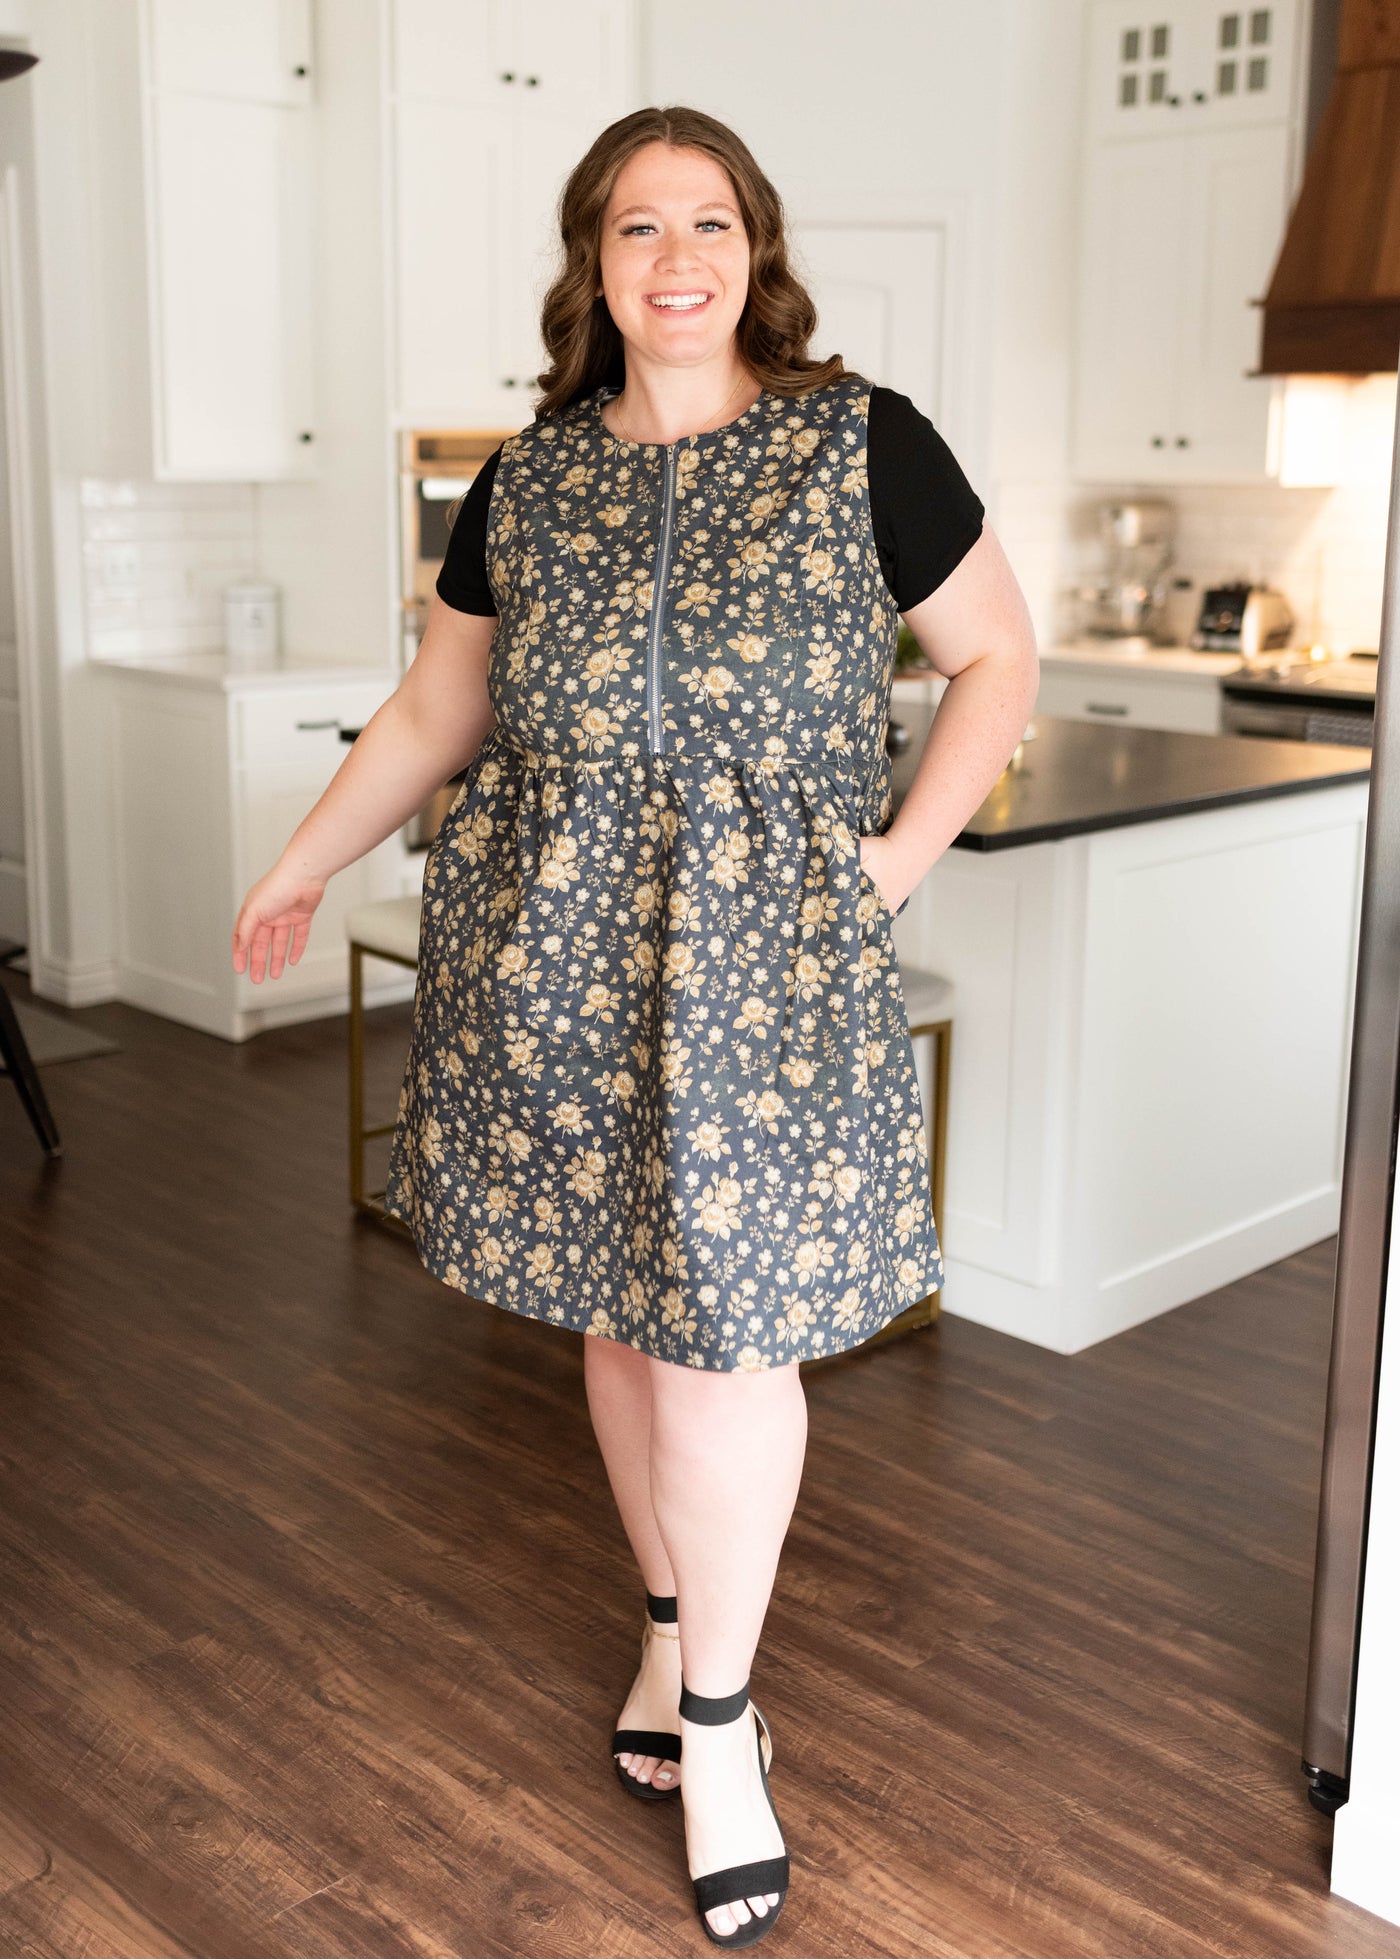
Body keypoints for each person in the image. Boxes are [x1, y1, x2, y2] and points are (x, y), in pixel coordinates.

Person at [232, 103, 1038, 1950]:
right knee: (623, 1305)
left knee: (732, 1336)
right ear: (592, 265)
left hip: (767, 969)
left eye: (708, 223)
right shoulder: (529, 479)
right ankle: (672, 1623)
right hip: (556, 951)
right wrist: (298, 861)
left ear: (756, 250)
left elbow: (1001, 655)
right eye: (633, 228)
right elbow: (437, 715)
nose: (674, 259)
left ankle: (730, 1725)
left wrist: (905, 856)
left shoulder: (863, 443)